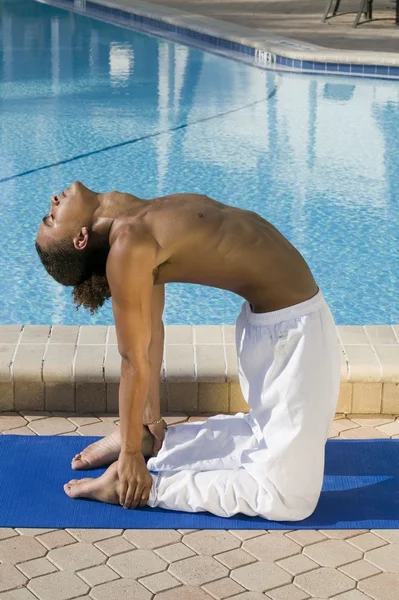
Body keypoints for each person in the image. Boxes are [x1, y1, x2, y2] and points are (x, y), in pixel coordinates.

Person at [35, 181, 340, 520]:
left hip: (282, 329)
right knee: (288, 498)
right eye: (52, 218)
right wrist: (132, 457)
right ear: (80, 238)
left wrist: (145, 424)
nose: (53, 202)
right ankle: (136, 486)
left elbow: (152, 327)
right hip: (293, 333)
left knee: (261, 435)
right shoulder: (128, 244)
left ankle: (157, 443)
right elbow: (133, 359)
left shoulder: (135, 215)